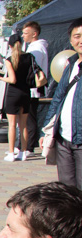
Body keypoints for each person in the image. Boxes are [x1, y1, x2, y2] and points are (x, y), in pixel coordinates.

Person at [41, 18, 82, 188]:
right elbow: (58, 99)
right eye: (77, 36)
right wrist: (46, 130)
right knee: (66, 191)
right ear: (71, 39)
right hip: (64, 138)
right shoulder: (71, 64)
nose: (81, 41)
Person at [0, 34, 34, 162]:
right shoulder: (29, 57)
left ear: (10, 45)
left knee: (12, 125)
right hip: (26, 92)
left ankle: (11, 152)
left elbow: (12, 79)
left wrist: (1, 78)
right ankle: (23, 152)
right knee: (23, 125)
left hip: (13, 93)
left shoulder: (9, 59)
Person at [23, 21, 50, 154]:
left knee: (30, 117)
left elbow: (34, 68)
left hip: (33, 88)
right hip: (31, 88)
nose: (23, 36)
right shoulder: (33, 47)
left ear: (34, 34)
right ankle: (26, 145)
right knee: (28, 117)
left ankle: (30, 147)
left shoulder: (37, 49)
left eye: (26, 33)